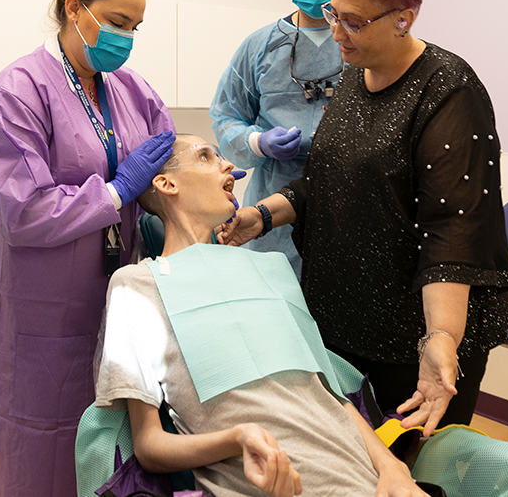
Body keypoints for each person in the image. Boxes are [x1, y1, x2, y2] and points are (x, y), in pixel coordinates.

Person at [220, 0, 508, 437]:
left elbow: (453, 228)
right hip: (344, 324)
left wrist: (440, 339)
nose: (335, 32)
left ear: (404, 18)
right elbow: (328, 182)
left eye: (353, 21)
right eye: (335, 15)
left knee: (415, 473)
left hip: (413, 336)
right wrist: (262, 215)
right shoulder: (353, 79)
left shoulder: (447, 90)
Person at [94, 133, 429, 497]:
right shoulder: (137, 285)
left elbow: (331, 396)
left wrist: (392, 468)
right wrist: (238, 438)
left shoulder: (271, 268)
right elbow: (148, 446)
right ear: (166, 183)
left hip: (368, 477)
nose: (228, 166)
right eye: (206, 156)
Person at [0, 0, 175, 494]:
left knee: (115, 448)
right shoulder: (17, 93)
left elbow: (166, 164)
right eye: (117, 22)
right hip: (45, 318)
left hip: (121, 304)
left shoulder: (132, 90)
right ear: (74, 8)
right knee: (43, 451)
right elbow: (23, 210)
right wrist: (115, 191)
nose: (125, 38)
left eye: (134, 27)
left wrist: (183, 201)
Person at [210, 0, 343, 280]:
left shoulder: (359, 44)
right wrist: (259, 142)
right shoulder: (260, 46)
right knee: (276, 306)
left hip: (344, 199)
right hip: (271, 203)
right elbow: (226, 116)